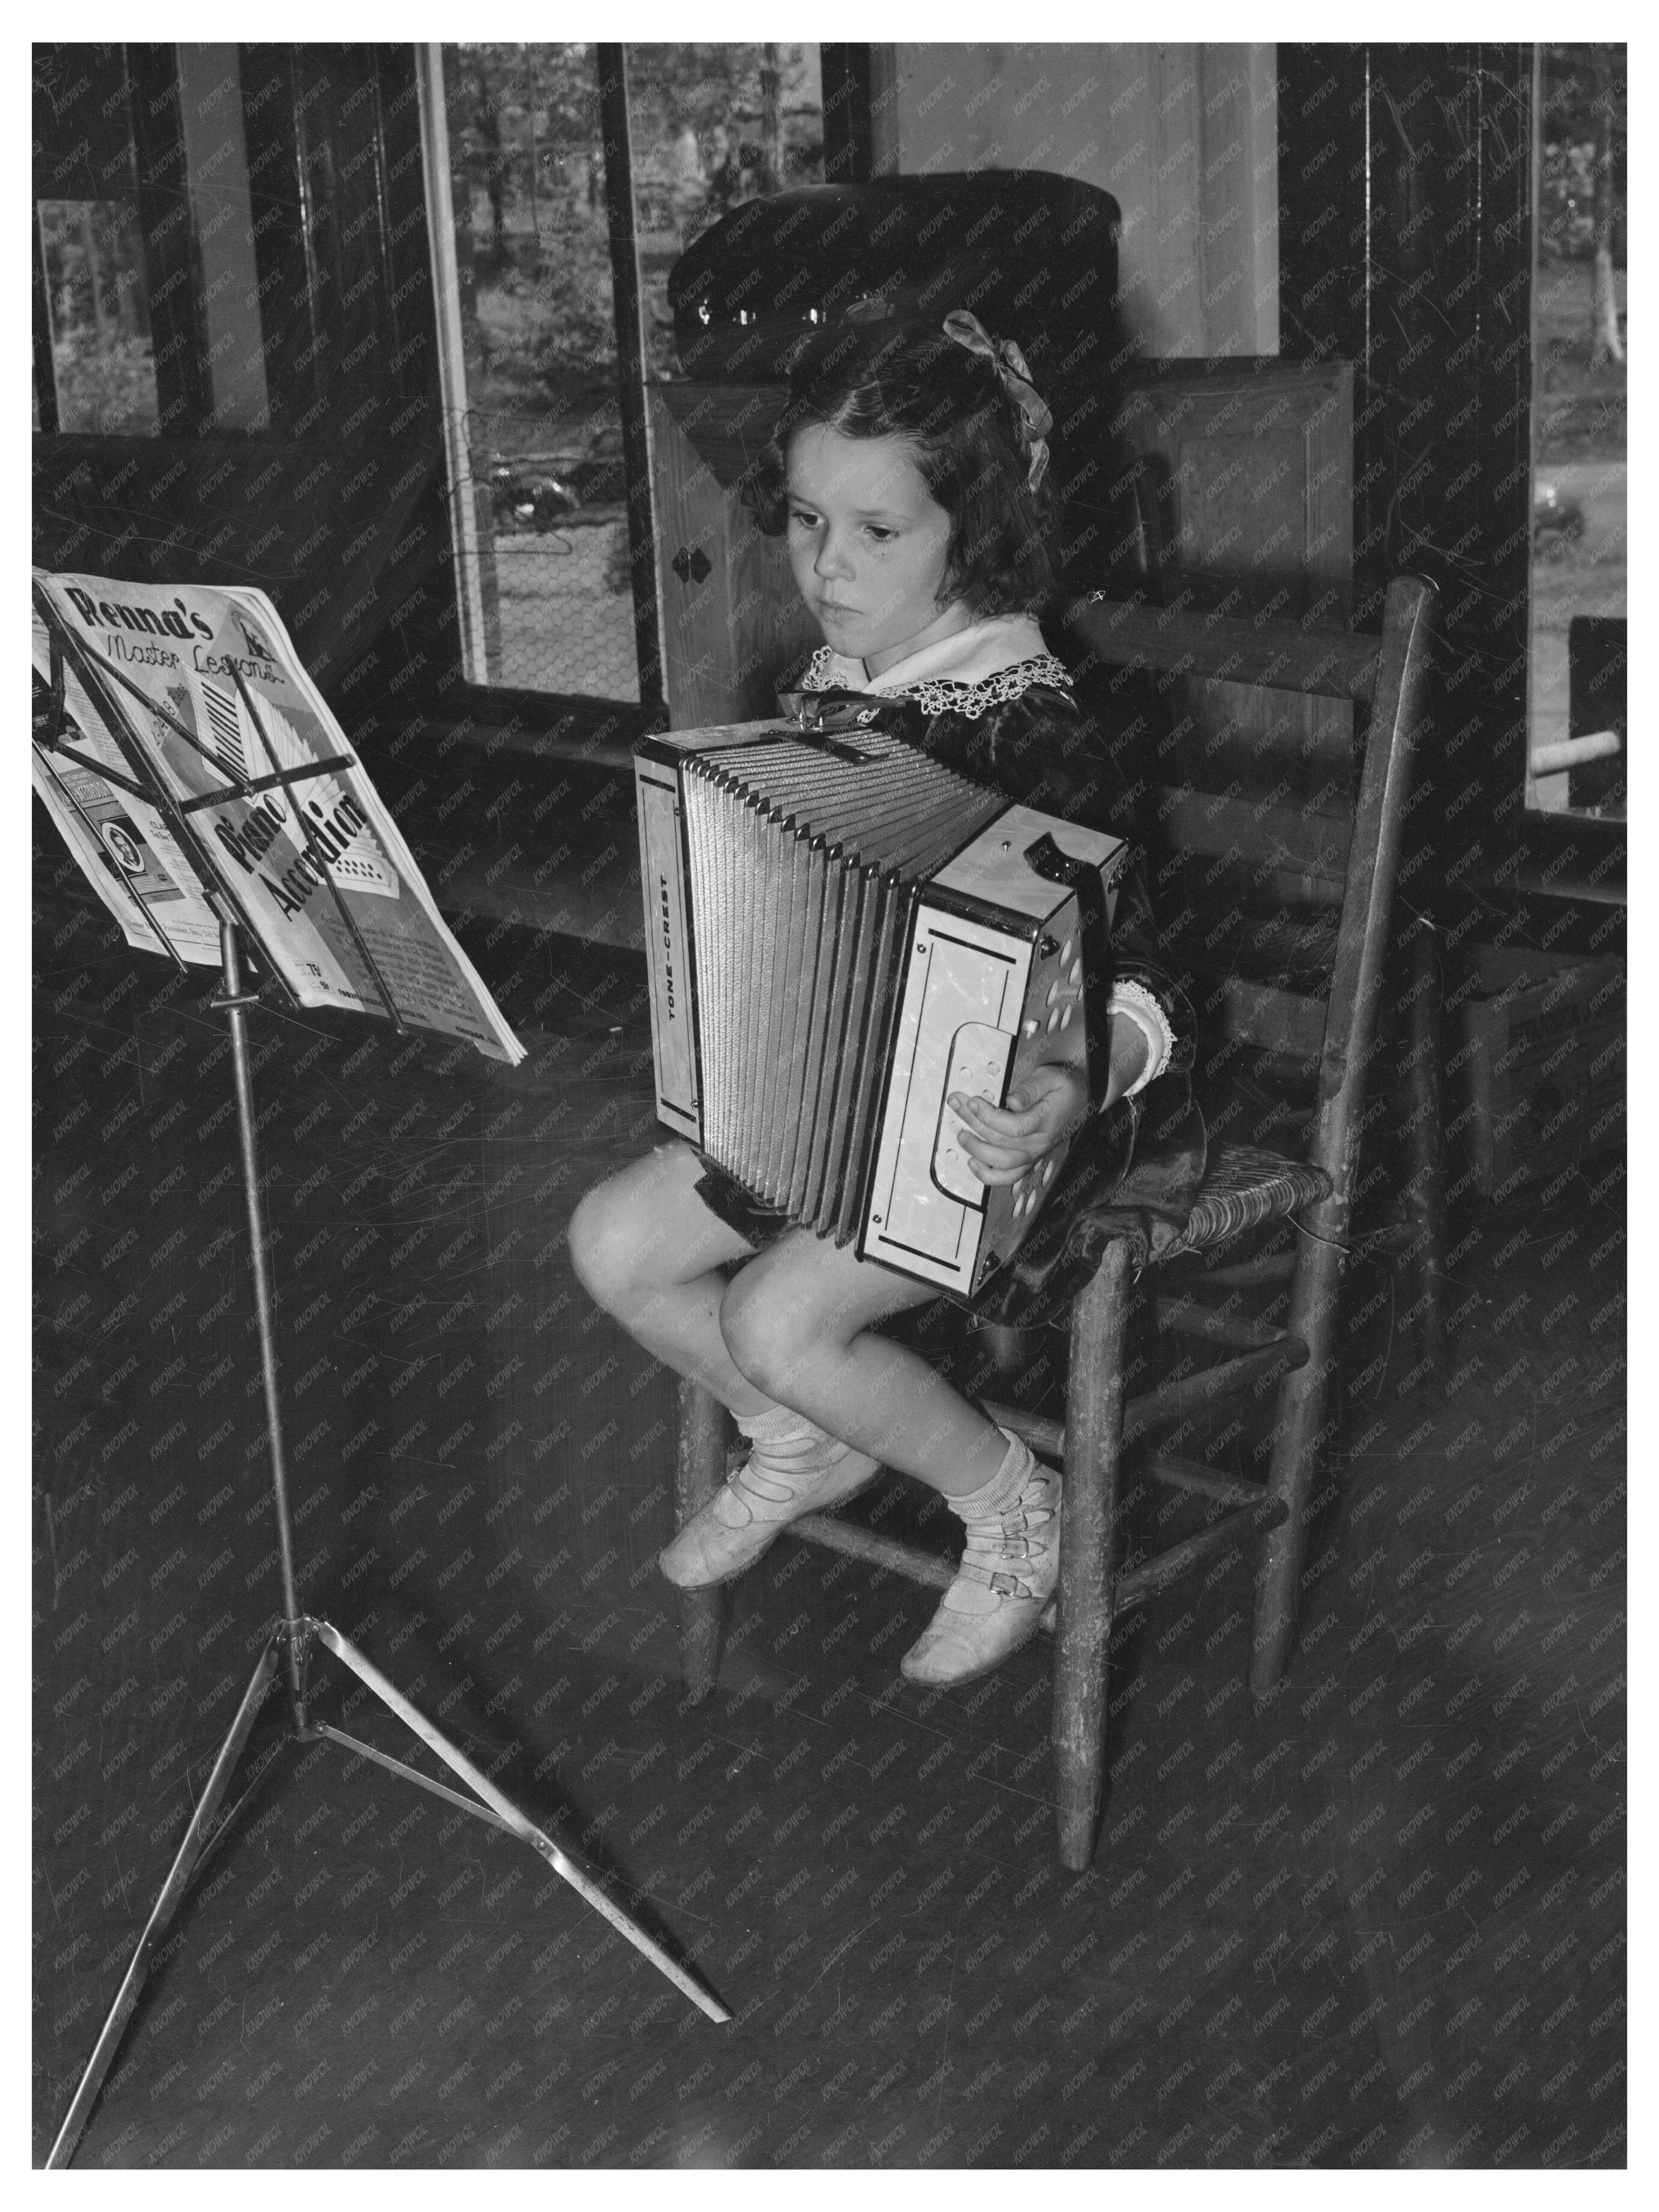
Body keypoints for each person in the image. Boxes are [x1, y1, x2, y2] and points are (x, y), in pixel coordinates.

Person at [569, 311, 1200, 1688]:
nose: (828, 569)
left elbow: (1148, 979)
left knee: (774, 1317)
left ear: (973, 532)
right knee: (612, 1244)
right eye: (804, 522)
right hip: (825, 1108)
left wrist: (1076, 1080)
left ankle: (1010, 1507)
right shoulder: (822, 691)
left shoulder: (1022, 723)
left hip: (1003, 1133)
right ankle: (811, 1437)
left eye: (877, 533)